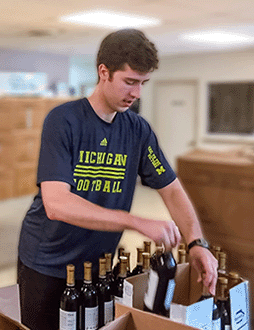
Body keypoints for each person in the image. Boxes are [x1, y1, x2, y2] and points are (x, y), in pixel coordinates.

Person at [16, 29, 218, 330]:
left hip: (98, 266)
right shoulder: (64, 121)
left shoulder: (138, 130)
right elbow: (56, 204)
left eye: (143, 84)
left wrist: (196, 242)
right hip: (47, 262)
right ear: (104, 72)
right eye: (130, 82)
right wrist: (134, 221)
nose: (137, 94)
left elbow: (172, 189)